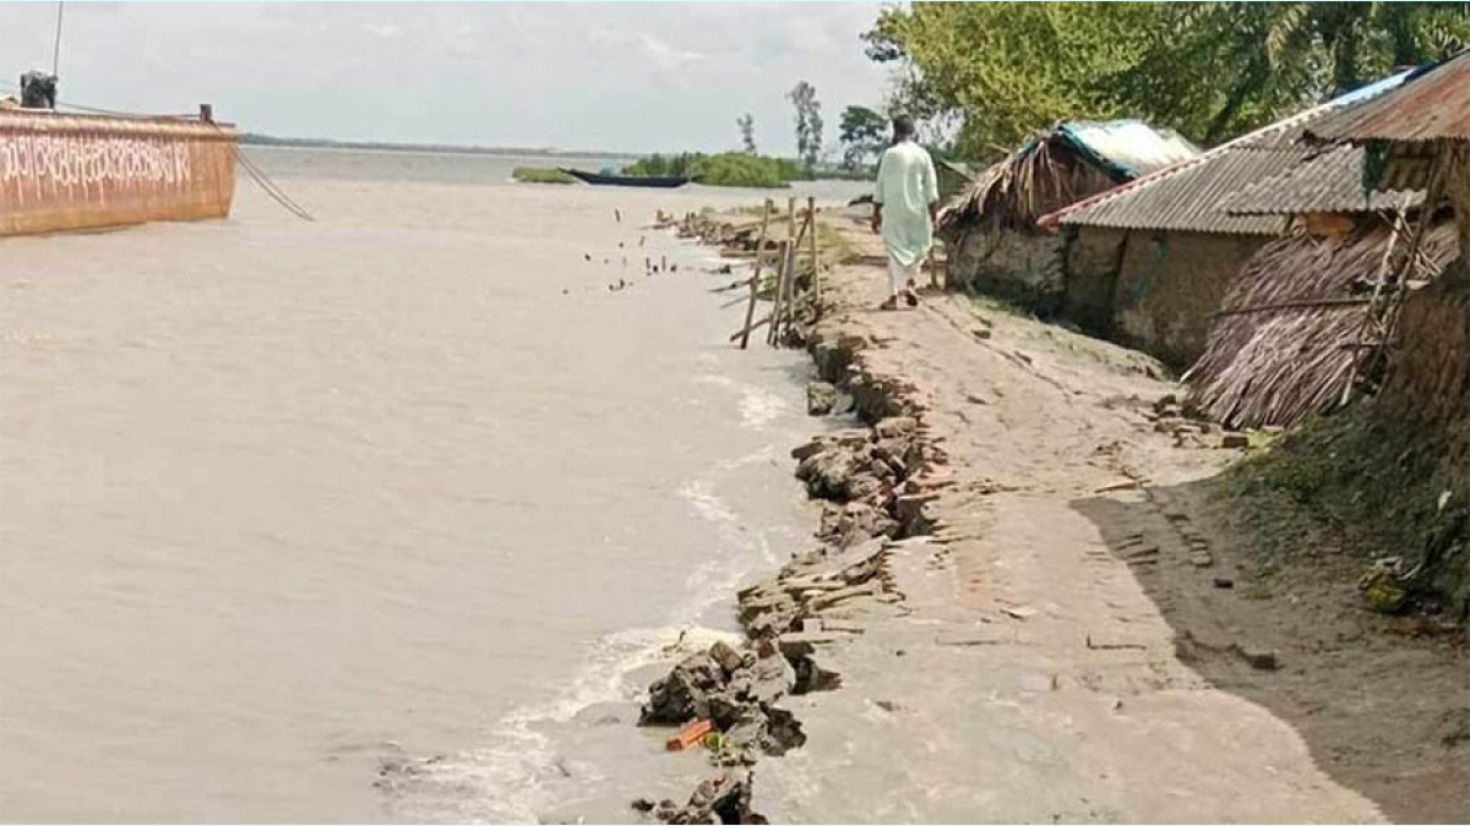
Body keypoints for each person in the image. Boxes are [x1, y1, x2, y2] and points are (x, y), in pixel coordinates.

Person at [870, 114, 938, 310]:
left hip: (894, 211)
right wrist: (934, 215)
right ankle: (909, 284)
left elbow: (880, 186)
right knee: (917, 249)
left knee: (895, 252)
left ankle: (895, 295)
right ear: (913, 132)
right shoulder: (923, 155)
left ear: (895, 132)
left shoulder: (890, 155)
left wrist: (876, 213)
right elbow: (931, 189)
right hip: (918, 210)